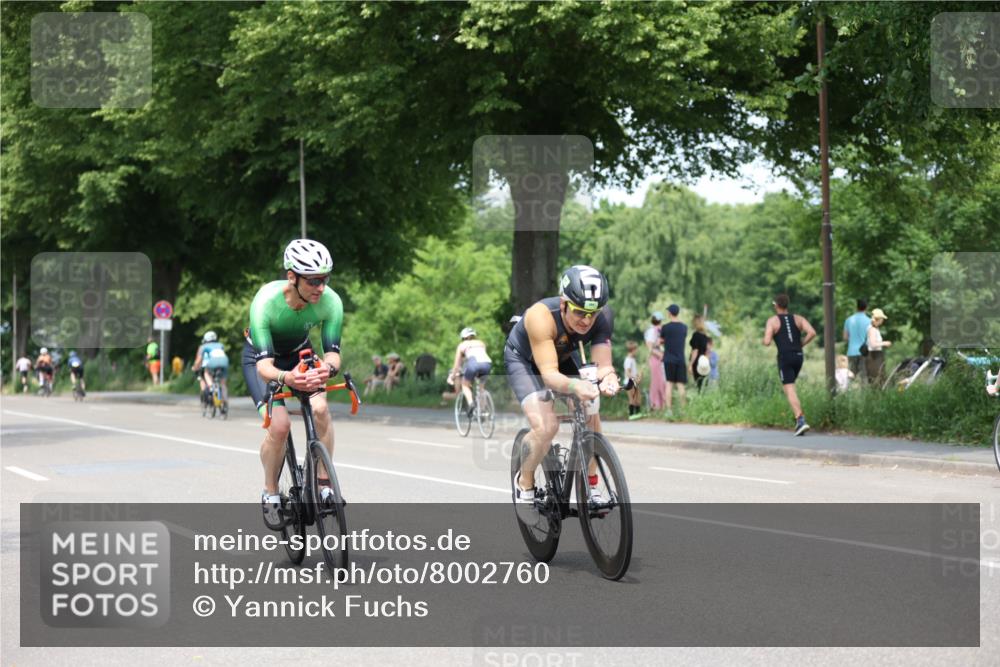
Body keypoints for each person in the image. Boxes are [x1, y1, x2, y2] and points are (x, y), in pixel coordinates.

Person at [242, 239, 344, 529]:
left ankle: (324, 484)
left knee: (321, 409)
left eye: (325, 278)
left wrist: (328, 369)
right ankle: (270, 492)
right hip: (263, 359)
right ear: (292, 277)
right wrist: (287, 378)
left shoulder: (331, 302)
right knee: (280, 426)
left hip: (301, 354)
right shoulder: (265, 302)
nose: (320, 287)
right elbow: (264, 367)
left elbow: (333, 354)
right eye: (313, 280)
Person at [505, 265, 621, 515]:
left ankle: (591, 487)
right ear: (564, 303)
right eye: (580, 312)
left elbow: (604, 366)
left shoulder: (602, 317)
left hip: (563, 355)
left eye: (593, 314)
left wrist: (610, 378)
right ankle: (524, 484)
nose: (587, 321)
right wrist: (575, 385)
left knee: (591, 410)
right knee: (547, 427)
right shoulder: (541, 316)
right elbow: (548, 375)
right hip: (526, 361)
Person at [762, 294, 817, 436]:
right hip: (799, 356)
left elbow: (767, 342)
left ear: (776, 306)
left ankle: (800, 420)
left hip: (785, 357)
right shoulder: (799, 319)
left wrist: (767, 337)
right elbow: (812, 332)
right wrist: (801, 344)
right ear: (787, 305)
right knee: (789, 388)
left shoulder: (772, 321)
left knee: (790, 388)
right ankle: (797, 417)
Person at [451, 327, 492, 416]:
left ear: (463, 338)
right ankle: (483, 411)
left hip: (473, 364)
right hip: (487, 364)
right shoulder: (481, 343)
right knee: (481, 389)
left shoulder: (462, 345)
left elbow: (457, 365)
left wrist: (453, 376)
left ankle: (470, 403)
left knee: (465, 385)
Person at [660, 304, 687, 413]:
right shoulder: (684, 327)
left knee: (669, 384)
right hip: (680, 359)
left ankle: (669, 411)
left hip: (668, 359)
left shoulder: (665, 328)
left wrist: (663, 341)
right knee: (681, 385)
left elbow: (660, 341)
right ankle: (683, 410)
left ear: (670, 313)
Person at [193, 331, 230, 407]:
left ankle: (211, 386)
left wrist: (195, 367)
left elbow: (199, 359)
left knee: (206, 372)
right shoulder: (220, 345)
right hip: (224, 361)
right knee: (223, 384)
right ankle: (225, 401)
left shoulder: (203, 347)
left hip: (212, 362)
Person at [843, 299, 871, 384]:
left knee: (850, 377)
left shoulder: (848, 320)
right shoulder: (869, 321)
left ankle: (846, 394)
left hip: (851, 351)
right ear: (866, 307)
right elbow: (870, 338)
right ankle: (865, 396)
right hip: (864, 352)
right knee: (864, 377)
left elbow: (845, 337)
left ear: (856, 307)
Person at [644, 312, 667, 410]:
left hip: (662, 358)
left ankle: (663, 404)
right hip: (655, 358)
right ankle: (655, 404)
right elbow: (650, 348)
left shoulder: (659, 330)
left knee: (663, 381)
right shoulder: (651, 331)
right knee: (657, 381)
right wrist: (660, 354)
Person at [865, 308, 892, 385]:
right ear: (878, 319)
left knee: (880, 378)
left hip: (876, 355)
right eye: (882, 319)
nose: (882, 321)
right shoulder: (872, 329)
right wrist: (884, 343)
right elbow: (873, 344)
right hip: (874, 356)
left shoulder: (874, 328)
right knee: (877, 379)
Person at [689, 314, 711, 391]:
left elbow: (695, 351)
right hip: (704, 362)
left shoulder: (696, 335)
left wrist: (690, 364)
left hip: (697, 362)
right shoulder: (705, 336)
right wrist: (707, 361)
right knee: (703, 385)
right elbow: (708, 351)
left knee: (698, 384)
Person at [624, 340, 643, 419]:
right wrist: (635, 378)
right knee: (632, 398)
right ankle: (631, 414)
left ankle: (637, 413)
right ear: (633, 350)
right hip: (629, 382)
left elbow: (633, 371)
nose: (637, 351)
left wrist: (639, 375)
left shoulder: (633, 359)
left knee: (637, 398)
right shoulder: (628, 360)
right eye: (636, 350)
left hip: (634, 381)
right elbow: (628, 373)